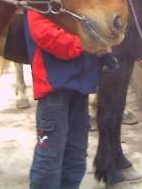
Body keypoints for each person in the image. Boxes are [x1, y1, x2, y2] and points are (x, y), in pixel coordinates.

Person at [24, 10, 116, 188]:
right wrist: (85, 43)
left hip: (80, 90)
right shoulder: (40, 0)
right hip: (54, 90)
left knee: (76, 155)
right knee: (50, 156)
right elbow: (45, 34)